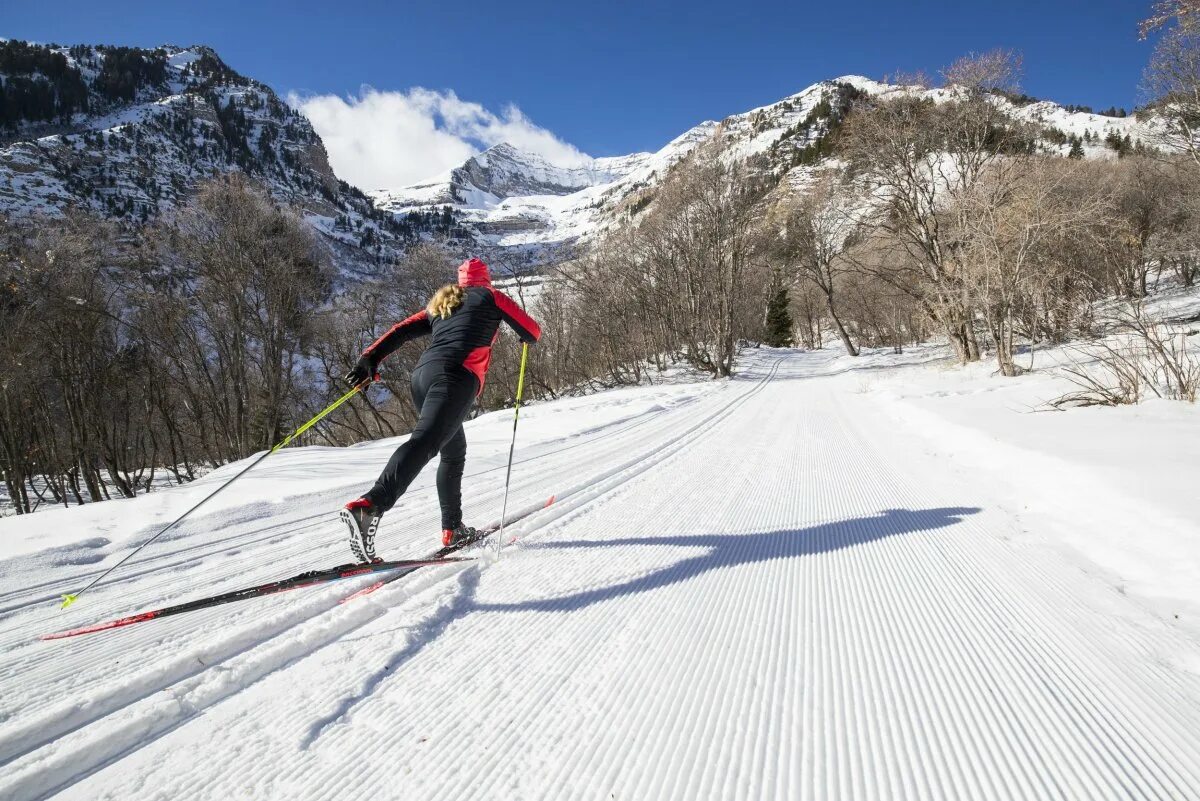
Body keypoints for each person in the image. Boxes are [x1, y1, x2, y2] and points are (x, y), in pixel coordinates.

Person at [340, 257, 541, 562]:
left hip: (423, 376)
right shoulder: (491, 296)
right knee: (426, 441)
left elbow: (400, 330)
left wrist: (369, 359)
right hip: (456, 377)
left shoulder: (443, 302)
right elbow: (532, 331)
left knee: (452, 449)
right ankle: (371, 505)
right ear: (485, 280)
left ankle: (453, 528)